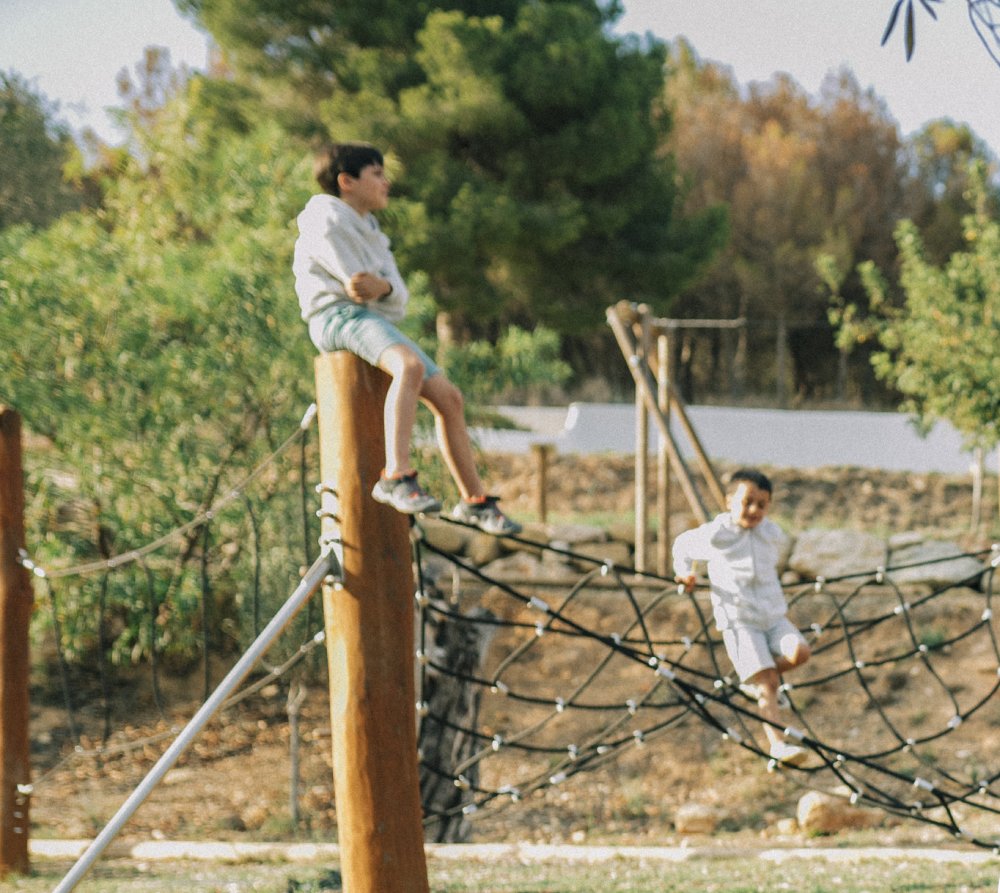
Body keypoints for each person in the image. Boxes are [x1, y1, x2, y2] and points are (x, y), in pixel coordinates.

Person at [293, 141, 520, 535]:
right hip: (335, 316)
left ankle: (475, 501)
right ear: (346, 181)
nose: (387, 181)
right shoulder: (324, 217)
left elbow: (394, 297)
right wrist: (379, 287)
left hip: (367, 318)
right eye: (376, 174)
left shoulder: (373, 233)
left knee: (450, 398)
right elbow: (356, 284)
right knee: (409, 366)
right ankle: (396, 476)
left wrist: (381, 287)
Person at [672, 468, 811, 766]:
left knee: (800, 652)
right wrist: (686, 572)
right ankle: (777, 745)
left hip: (772, 616)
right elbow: (683, 544)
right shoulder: (719, 533)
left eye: (761, 504)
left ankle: (756, 678)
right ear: (729, 502)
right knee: (769, 684)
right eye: (747, 502)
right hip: (739, 620)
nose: (754, 510)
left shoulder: (769, 533)